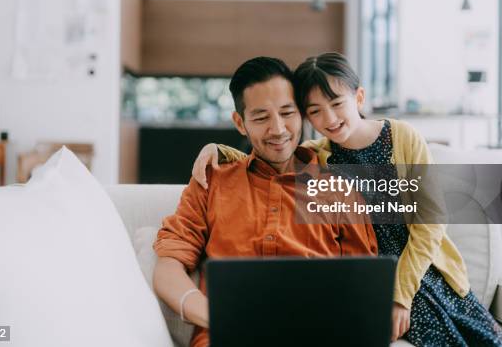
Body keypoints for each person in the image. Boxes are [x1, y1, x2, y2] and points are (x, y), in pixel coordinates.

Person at [192, 52, 502, 346]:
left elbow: (431, 221)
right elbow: (271, 159)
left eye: (336, 103)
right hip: (375, 278)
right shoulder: (320, 154)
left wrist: (401, 295)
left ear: (358, 97)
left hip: (420, 270)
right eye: (314, 111)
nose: (328, 118)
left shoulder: (402, 137)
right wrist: (217, 150)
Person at [152, 57, 378, 347]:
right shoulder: (212, 183)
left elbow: (363, 284)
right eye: (260, 118)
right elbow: (168, 266)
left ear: (302, 115)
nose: (278, 129)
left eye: (287, 113)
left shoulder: (340, 191)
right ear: (240, 123)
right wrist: (219, 315)